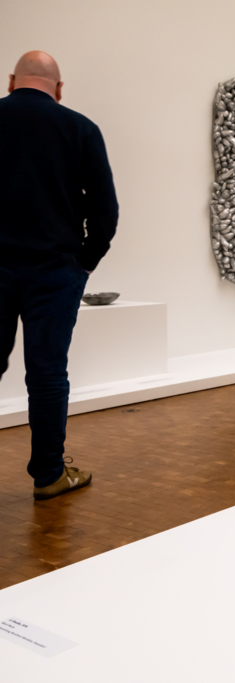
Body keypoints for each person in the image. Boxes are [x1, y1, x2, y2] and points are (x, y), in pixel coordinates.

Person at [0, 51, 118, 500]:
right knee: (47, 373)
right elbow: (105, 210)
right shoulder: (80, 128)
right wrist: (83, 262)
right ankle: (49, 474)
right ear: (60, 88)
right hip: (54, 271)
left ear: (11, 81)